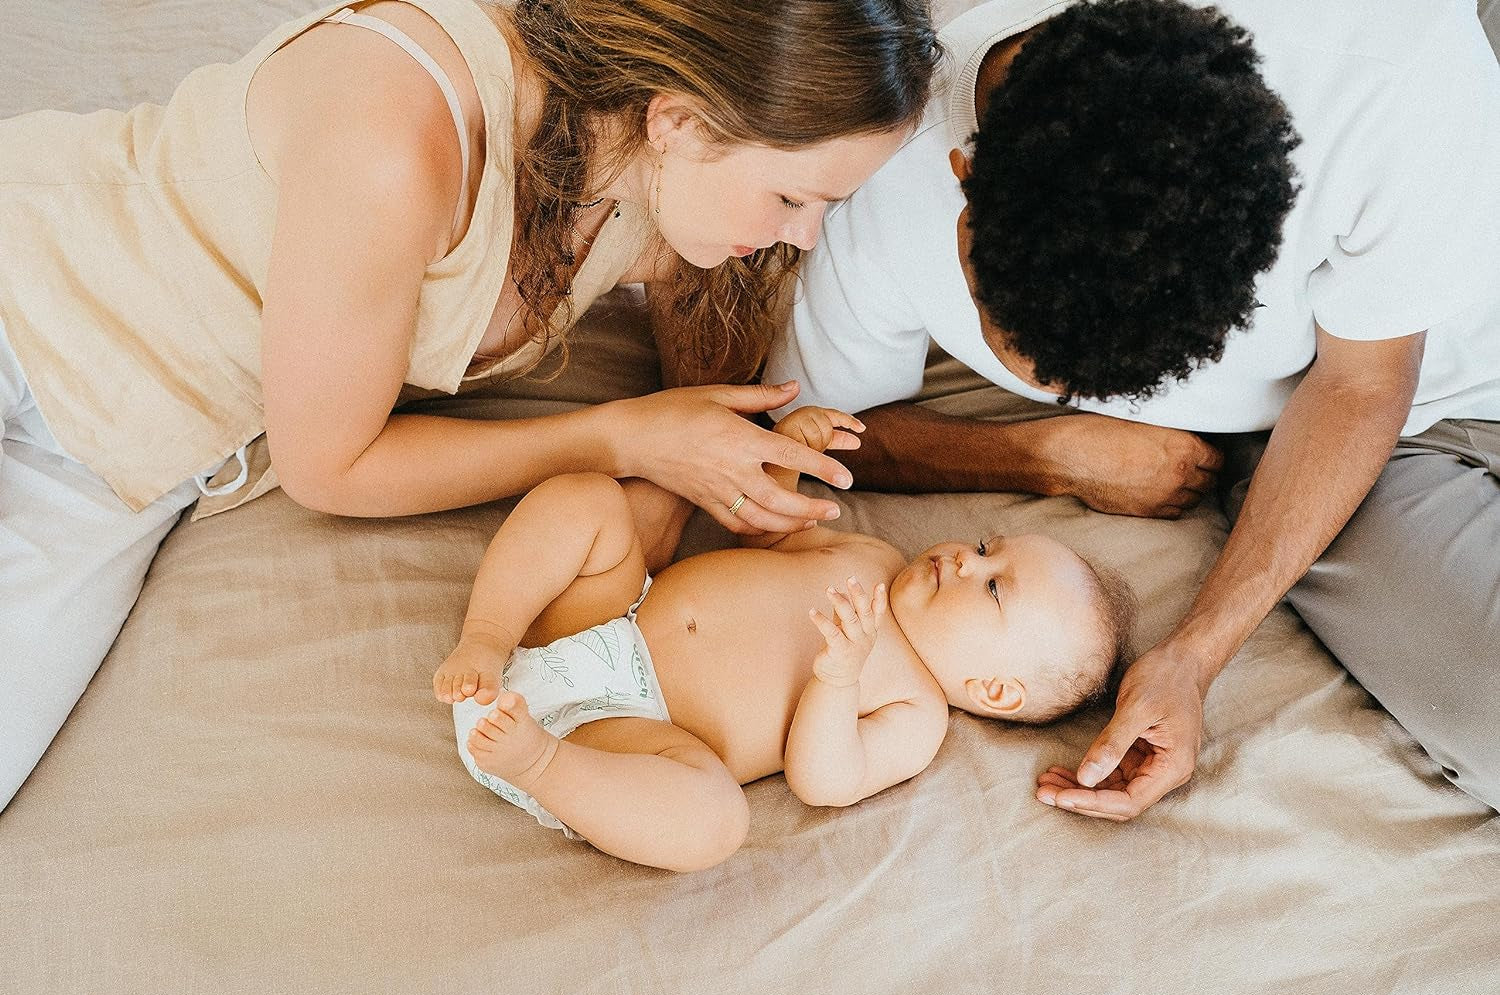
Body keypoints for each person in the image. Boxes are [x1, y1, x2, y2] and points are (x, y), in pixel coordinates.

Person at [0, 0, 944, 810]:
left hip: (132, 452)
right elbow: (330, 466)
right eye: (792, 197)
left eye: (830, 205)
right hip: (31, 288)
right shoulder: (397, 136)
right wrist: (619, 438)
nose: (807, 235)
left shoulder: (655, 169)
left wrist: (714, 454)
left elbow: (706, 383)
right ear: (680, 121)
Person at [765, 0, 1500, 815]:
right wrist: (1045, 455)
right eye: (1045, 372)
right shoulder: (881, 165)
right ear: (965, 192)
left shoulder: (1392, 68)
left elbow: (1362, 379)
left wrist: (1199, 652)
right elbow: (817, 433)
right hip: (1391, 440)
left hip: (1388, 365)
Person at [432, 406, 1134, 871]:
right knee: (589, 500)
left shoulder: (916, 713)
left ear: (994, 689)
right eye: (987, 546)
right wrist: (792, 457)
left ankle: (540, 766)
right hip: (607, 617)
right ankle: (487, 640)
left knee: (715, 823)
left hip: (626, 733)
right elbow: (771, 533)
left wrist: (839, 678)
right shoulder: (874, 561)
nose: (965, 558)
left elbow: (824, 781)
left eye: (992, 587)